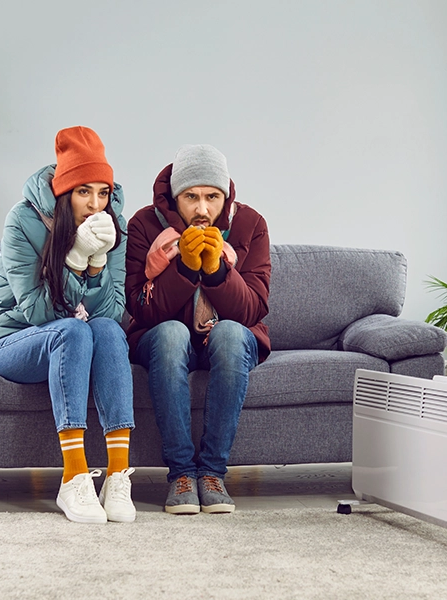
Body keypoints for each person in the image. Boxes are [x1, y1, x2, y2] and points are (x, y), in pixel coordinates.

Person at [0, 126, 135, 524]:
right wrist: (76, 257)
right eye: (84, 192)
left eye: (103, 192)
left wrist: (98, 263)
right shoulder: (22, 221)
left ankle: (117, 475)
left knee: (109, 332)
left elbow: (111, 312)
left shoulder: (114, 225)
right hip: (4, 340)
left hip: (71, 336)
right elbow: (39, 312)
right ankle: (74, 476)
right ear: (64, 192)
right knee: (74, 330)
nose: (96, 205)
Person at [125, 144, 271, 515]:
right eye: (191, 197)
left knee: (232, 333)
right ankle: (182, 475)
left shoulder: (250, 225)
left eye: (211, 197)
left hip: (227, 339)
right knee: (172, 333)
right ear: (175, 197)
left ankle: (211, 473)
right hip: (163, 339)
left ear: (226, 195)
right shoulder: (144, 225)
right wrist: (186, 269)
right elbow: (141, 311)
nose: (202, 210)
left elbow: (252, 308)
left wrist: (218, 271)